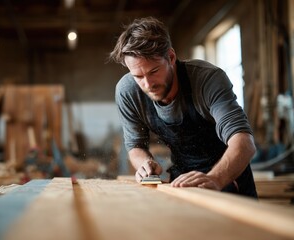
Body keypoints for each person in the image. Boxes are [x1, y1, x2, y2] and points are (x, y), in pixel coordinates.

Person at [109, 17, 257, 198]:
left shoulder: (207, 80)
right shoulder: (128, 92)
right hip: (181, 181)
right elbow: (135, 146)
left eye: (154, 71)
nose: (147, 84)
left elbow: (244, 142)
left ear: (171, 57)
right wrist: (145, 163)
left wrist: (215, 179)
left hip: (228, 178)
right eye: (138, 76)